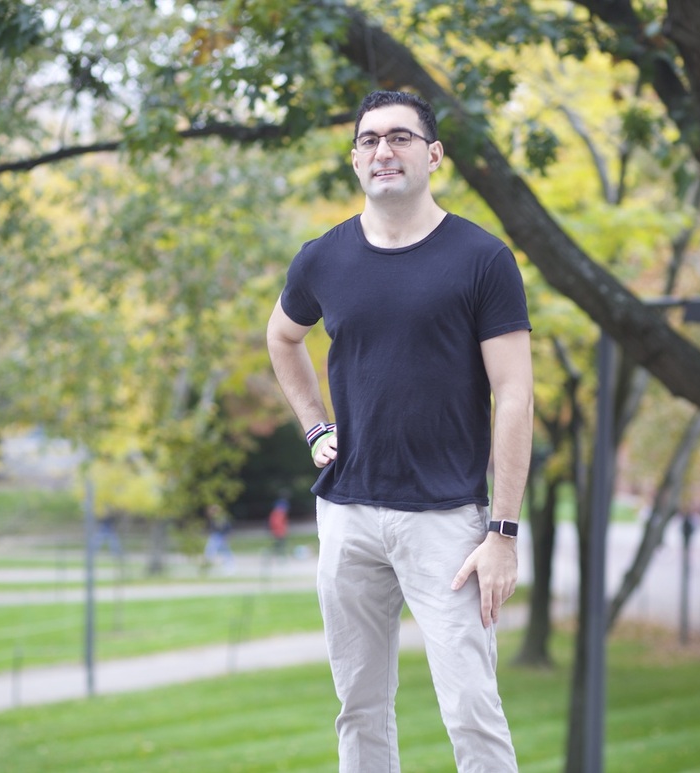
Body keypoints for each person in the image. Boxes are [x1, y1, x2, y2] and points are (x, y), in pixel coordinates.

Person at [266, 90, 533, 773]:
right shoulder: (323, 258)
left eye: (400, 138)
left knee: (471, 710)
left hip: (448, 524)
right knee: (358, 709)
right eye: (369, 140)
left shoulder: (483, 259)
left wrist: (502, 532)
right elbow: (282, 337)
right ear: (355, 159)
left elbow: (514, 394)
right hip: (347, 514)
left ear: (434, 154)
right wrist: (314, 426)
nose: (382, 151)